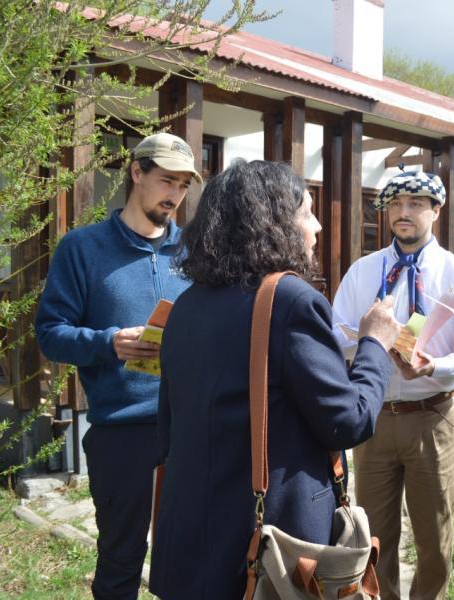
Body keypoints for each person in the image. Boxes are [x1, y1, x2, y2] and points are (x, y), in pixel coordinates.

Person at [147, 159, 401, 599]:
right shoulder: (290, 300)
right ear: (275, 223)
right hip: (267, 546)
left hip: (188, 537)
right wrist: (374, 344)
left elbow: (167, 427)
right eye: (307, 212)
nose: (318, 226)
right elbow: (348, 422)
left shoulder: (186, 306)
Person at [35, 132, 200, 599]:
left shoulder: (194, 254)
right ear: (136, 172)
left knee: (187, 557)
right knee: (120, 561)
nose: (174, 195)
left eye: (184, 185)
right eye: (167, 180)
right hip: (120, 432)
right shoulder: (81, 249)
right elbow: (50, 334)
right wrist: (109, 343)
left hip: (187, 429)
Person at [331, 170, 454, 600]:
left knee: (434, 540)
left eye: (416, 204)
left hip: (433, 416)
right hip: (375, 418)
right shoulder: (363, 272)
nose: (404, 213)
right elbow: (333, 334)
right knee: (371, 539)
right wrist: (370, 342)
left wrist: (438, 364)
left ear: (436, 211)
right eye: (396, 204)